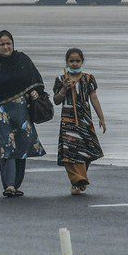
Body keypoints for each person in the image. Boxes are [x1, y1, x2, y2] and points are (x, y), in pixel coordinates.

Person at [0, 30, 46, 197]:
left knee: (22, 148)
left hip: (21, 113)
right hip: (0, 115)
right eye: (2, 44)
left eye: (8, 44)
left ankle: (16, 183)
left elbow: (35, 81)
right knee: (6, 148)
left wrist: (34, 93)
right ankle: (9, 185)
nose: (6, 47)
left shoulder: (23, 60)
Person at [52, 48, 106, 195]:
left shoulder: (88, 79)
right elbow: (56, 100)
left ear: (82, 61)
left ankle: (80, 179)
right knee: (69, 152)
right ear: (66, 62)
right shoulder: (61, 79)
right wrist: (64, 89)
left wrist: (101, 117)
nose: (75, 64)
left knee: (86, 151)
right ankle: (77, 180)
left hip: (84, 120)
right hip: (68, 121)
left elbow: (94, 98)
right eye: (71, 61)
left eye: (77, 61)